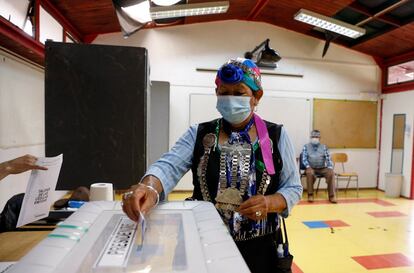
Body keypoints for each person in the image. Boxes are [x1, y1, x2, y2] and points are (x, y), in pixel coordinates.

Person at [122, 58, 303, 273]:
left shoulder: (276, 136)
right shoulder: (199, 134)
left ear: (257, 96)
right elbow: (168, 166)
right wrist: (150, 187)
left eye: (239, 93)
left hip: (261, 250)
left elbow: (293, 188)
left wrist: (270, 202)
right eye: (224, 92)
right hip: (204, 242)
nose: (230, 99)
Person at [301, 130, 337, 203]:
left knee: (331, 173)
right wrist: (308, 166)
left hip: (322, 168)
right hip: (311, 168)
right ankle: (310, 195)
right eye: (313, 136)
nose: (315, 138)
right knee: (309, 173)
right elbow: (304, 159)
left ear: (319, 138)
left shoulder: (324, 147)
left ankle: (332, 196)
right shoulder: (306, 146)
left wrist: (330, 167)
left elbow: (329, 159)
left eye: (316, 137)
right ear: (311, 137)